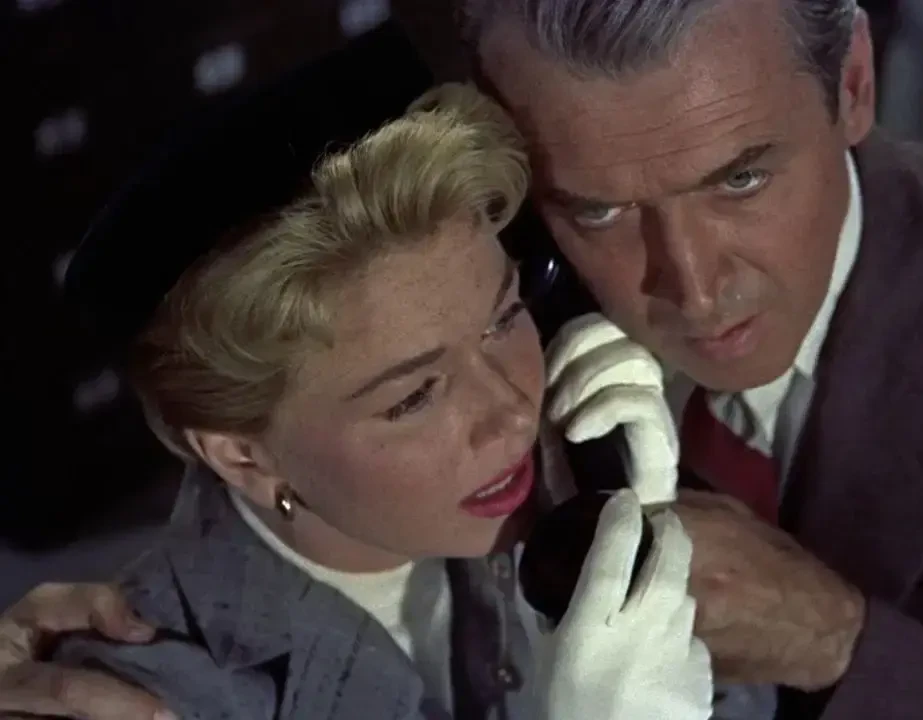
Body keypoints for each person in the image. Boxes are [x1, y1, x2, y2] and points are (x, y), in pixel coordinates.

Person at [4, 0, 923, 718]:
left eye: (741, 177)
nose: (687, 288)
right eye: (593, 208)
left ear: (854, 81)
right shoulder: (480, 255)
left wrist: (839, 642)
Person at [1, 29, 714, 720]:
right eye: (414, 396)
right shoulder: (156, 694)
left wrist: (651, 545)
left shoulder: (587, 478)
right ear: (244, 455)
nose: (513, 413)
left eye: (503, 318)